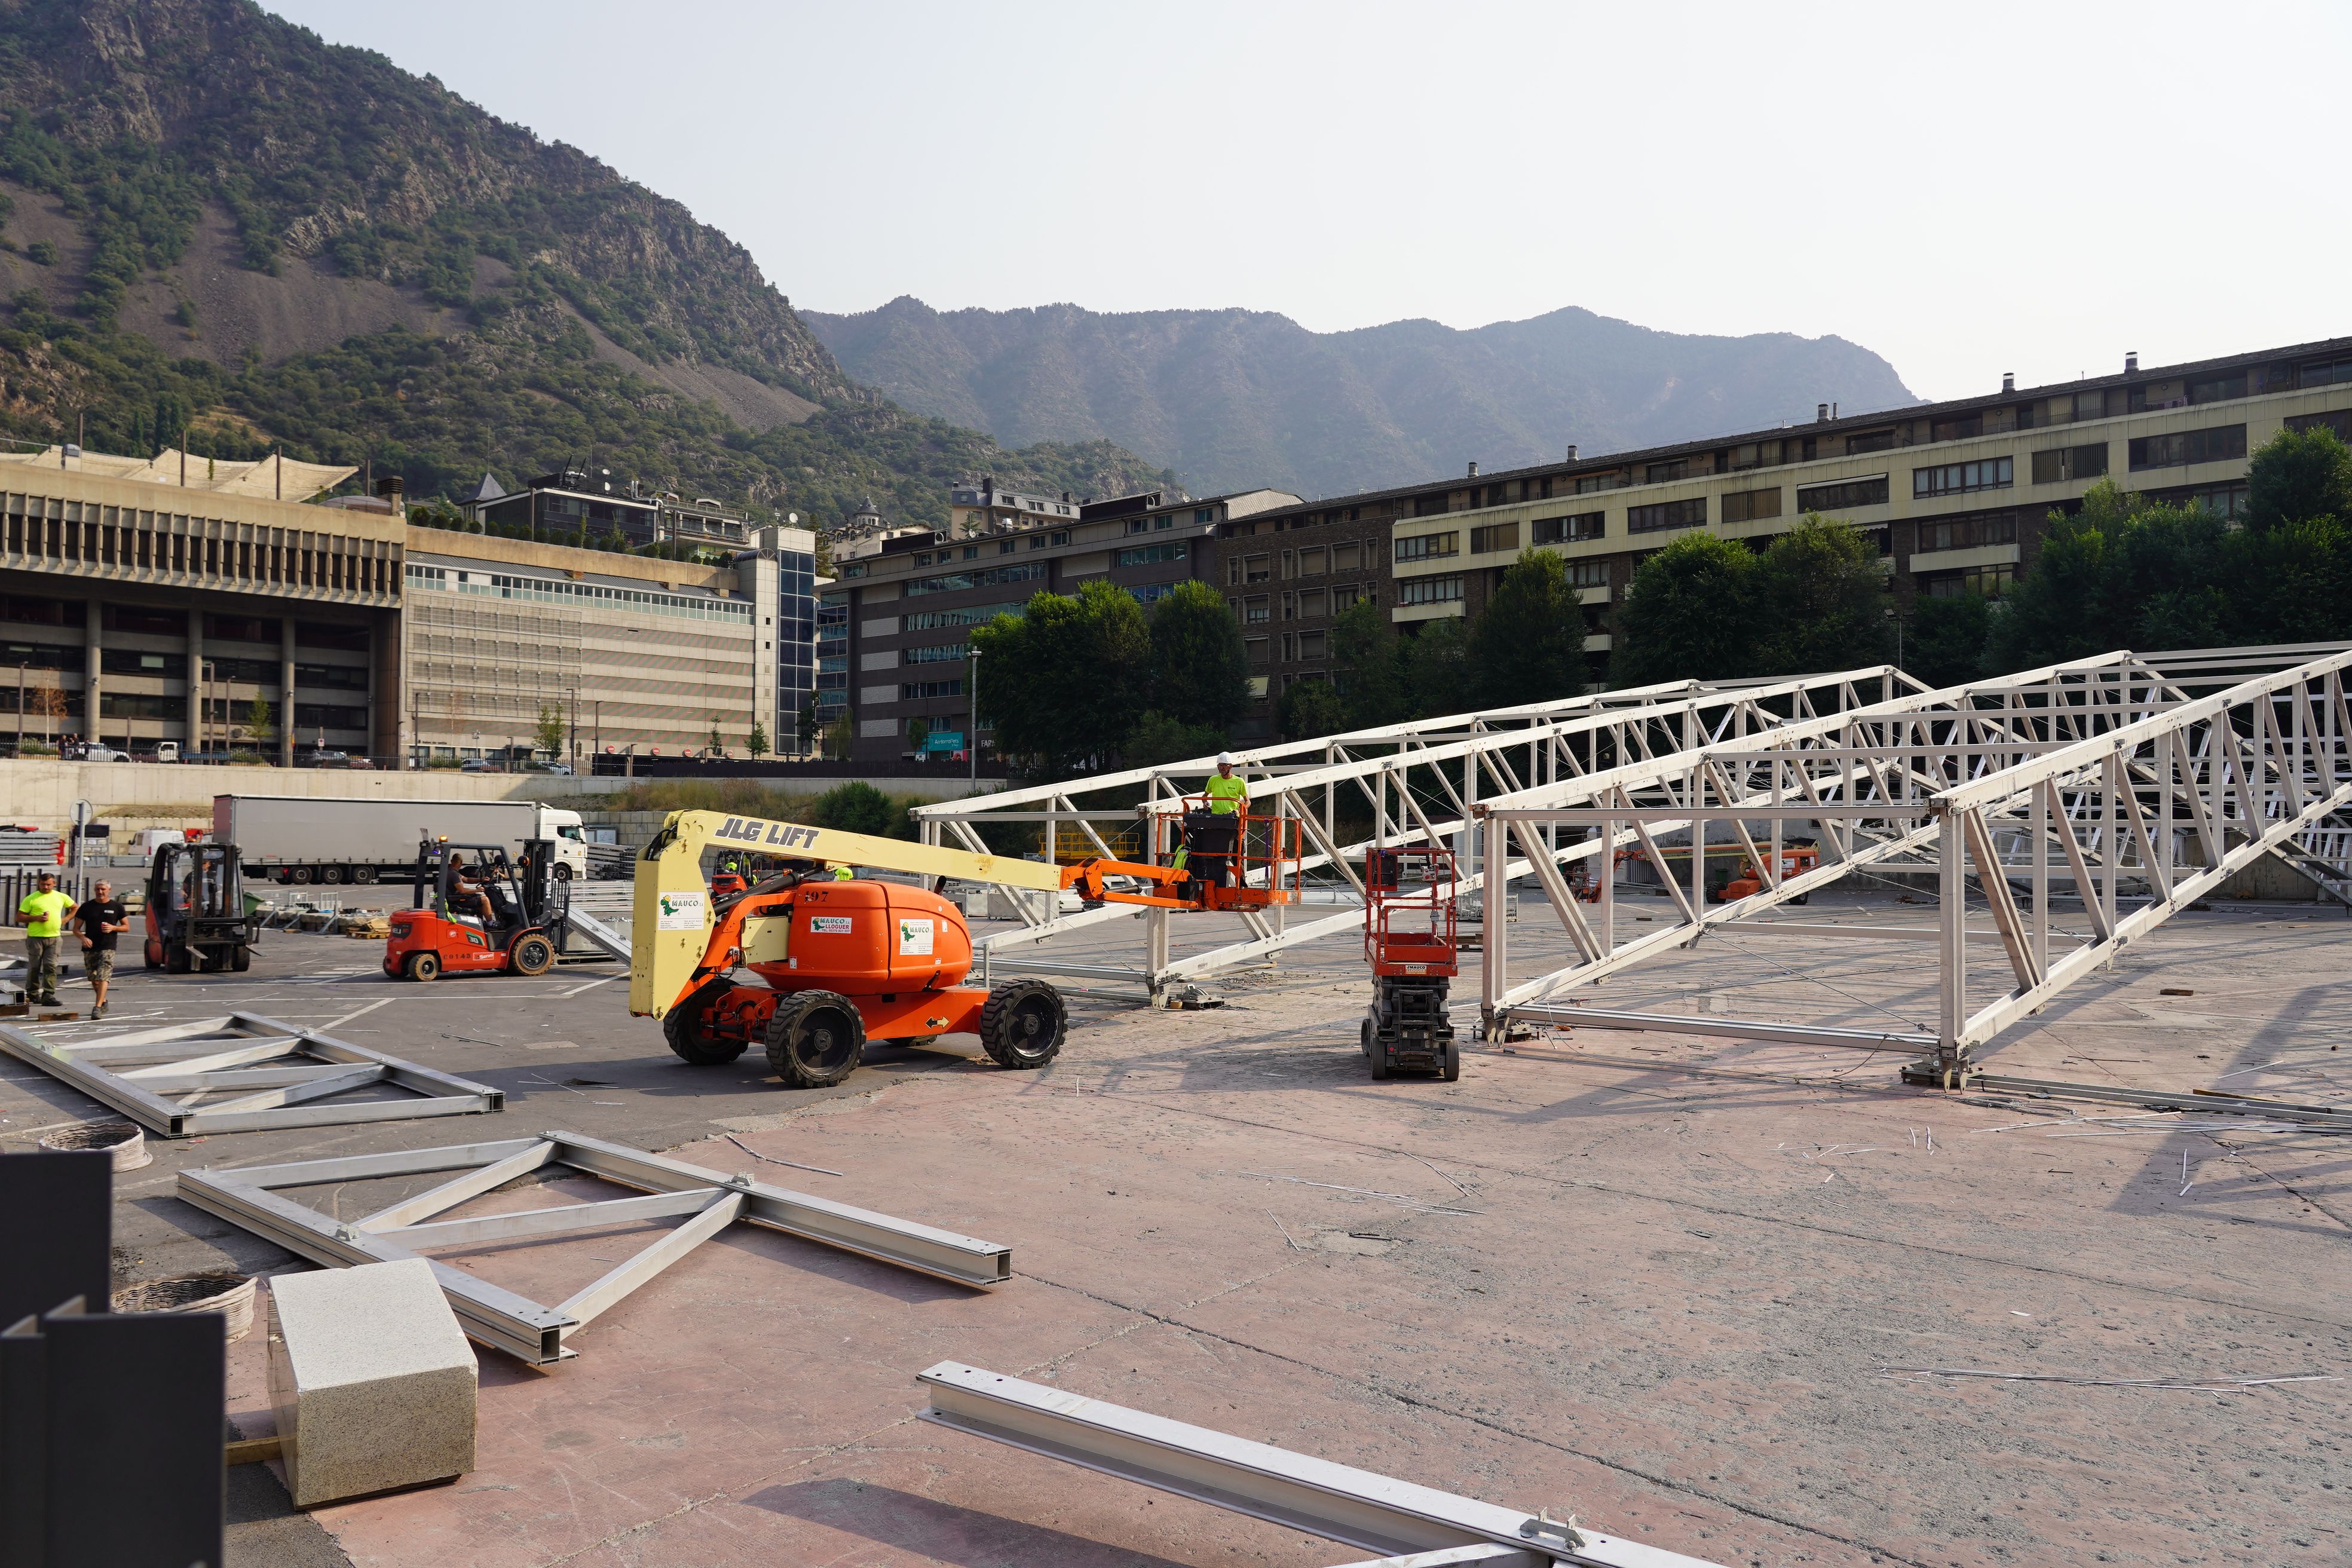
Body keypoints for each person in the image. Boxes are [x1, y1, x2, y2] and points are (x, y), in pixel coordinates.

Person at [16, 870, 75, 1008]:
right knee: (34, 966)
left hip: (54, 938)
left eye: (49, 885)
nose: (46, 887)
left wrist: (65, 920)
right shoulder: (31, 898)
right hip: (36, 938)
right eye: (43, 884)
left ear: (54, 884)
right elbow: (19, 917)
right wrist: (35, 918)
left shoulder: (61, 897)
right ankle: (32, 993)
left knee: (50, 966)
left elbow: (75, 908)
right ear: (39, 884)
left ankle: (49, 994)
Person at [74, 878, 127, 1019]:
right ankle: (103, 1001)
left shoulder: (117, 907)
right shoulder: (86, 907)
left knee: (104, 976)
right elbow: (76, 929)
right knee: (94, 979)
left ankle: (97, 1008)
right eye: (98, 889)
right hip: (90, 947)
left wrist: (114, 927)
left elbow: (126, 927)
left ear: (109, 890)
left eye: (103, 889)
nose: (100, 892)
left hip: (108, 946)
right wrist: (83, 938)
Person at [445, 852, 497, 924]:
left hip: (455, 898)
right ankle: (491, 924)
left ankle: (480, 923)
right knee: (485, 900)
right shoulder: (454, 874)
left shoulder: (452, 872)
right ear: (461, 863)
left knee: (478, 898)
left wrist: (481, 879)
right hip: (456, 900)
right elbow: (462, 891)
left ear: (451, 861)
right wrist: (477, 890)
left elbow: (467, 880)